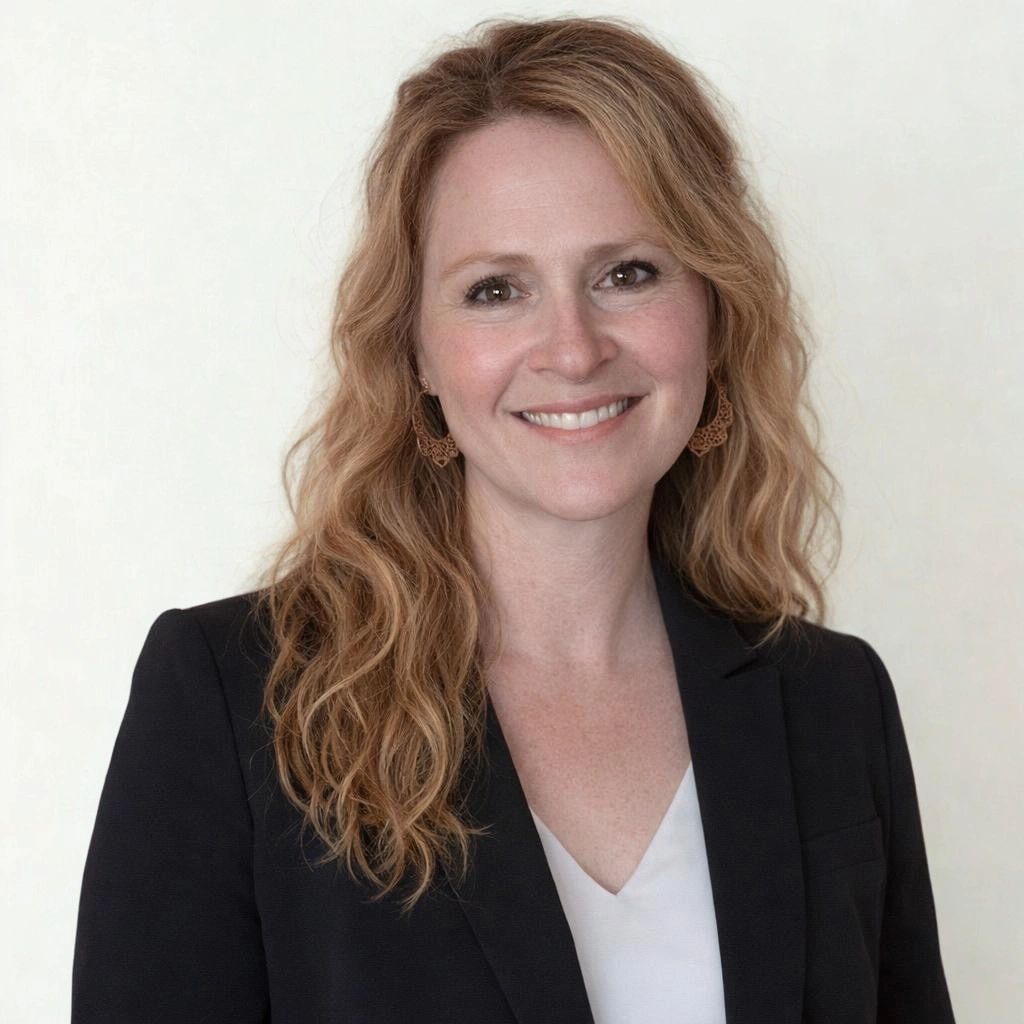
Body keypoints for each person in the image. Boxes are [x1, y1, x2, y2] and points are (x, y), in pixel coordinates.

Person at [71, 14, 956, 1023]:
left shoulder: (831, 705)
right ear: (415, 356)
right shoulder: (236, 702)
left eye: (628, 272)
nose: (572, 350)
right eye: (495, 290)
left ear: (715, 308)